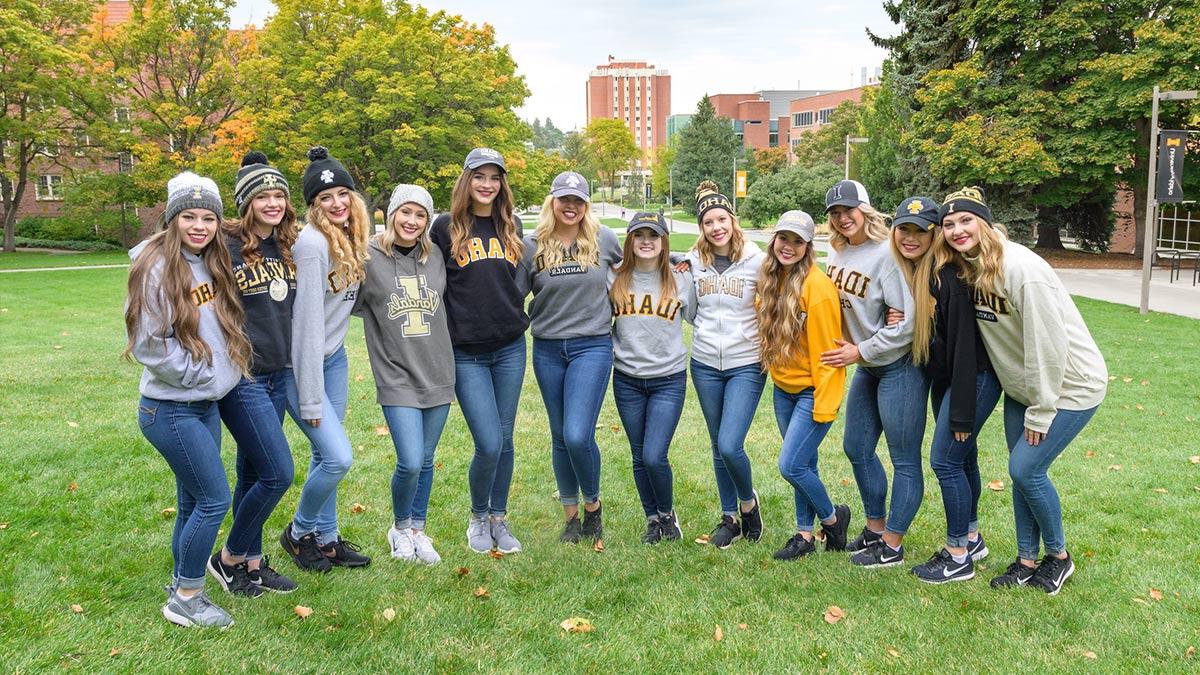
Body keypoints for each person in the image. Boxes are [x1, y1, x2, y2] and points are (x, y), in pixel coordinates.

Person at [937, 187, 1107, 595]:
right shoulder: (969, 267)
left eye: (966, 220)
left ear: (986, 223)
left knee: (1026, 469)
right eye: (949, 224)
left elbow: (1048, 346)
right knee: (1022, 475)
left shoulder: (1022, 269)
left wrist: (1042, 409)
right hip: (1023, 387)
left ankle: (1059, 558)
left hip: (1069, 386)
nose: (958, 230)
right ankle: (1027, 560)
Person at [125, 171, 251, 628]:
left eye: (208, 218)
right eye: (189, 217)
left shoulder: (209, 261)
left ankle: (181, 579)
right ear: (172, 219)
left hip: (204, 403)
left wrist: (222, 370)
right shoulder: (154, 267)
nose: (199, 225)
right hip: (171, 408)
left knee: (191, 501)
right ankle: (187, 598)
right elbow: (148, 344)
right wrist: (201, 373)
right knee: (215, 500)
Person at [886, 196, 999, 583]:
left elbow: (967, 348)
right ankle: (971, 537)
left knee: (945, 460)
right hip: (947, 379)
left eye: (922, 231)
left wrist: (963, 412)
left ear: (935, 235)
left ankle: (957, 555)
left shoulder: (947, 276)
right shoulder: (920, 273)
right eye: (905, 229)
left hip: (973, 379)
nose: (911, 237)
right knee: (964, 459)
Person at [819, 179, 928, 568]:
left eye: (849, 209)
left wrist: (861, 349)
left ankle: (893, 545)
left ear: (866, 209)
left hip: (898, 366)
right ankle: (875, 528)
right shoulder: (837, 254)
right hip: (866, 365)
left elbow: (908, 323)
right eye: (835, 212)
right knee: (857, 448)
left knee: (904, 458)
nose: (842, 218)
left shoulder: (887, 254)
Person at [207, 152, 299, 597]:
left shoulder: (286, 244)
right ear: (246, 202)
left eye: (279, 194)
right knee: (278, 473)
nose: (273, 202)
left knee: (252, 473)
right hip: (244, 377)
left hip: (280, 373)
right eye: (262, 195)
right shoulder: (222, 246)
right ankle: (227, 558)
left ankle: (254, 564)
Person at [279, 146, 372, 572]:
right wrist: (310, 397)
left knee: (323, 458)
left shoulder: (350, 237)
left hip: (334, 357)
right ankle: (299, 533)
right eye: (324, 199)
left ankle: (329, 538)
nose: (336, 203)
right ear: (313, 207)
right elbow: (308, 324)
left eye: (342, 195)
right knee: (337, 457)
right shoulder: (313, 244)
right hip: (305, 365)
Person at [430, 148, 527, 554]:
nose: (487, 184)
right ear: (466, 180)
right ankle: (477, 516)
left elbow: (519, 280)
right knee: (488, 441)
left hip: (509, 348)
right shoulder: (444, 227)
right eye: (479, 176)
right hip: (467, 352)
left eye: (494, 177)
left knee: (505, 440)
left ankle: (498, 519)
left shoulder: (513, 225)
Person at [518, 171, 622, 543]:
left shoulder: (603, 239)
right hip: (547, 348)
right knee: (560, 436)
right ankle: (571, 517)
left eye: (578, 200)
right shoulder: (532, 245)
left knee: (578, 434)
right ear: (552, 201)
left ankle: (592, 505)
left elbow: (639, 267)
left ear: (586, 205)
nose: (571, 207)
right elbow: (512, 294)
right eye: (564, 199)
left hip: (591, 345)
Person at [356, 184, 454, 565]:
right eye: (405, 212)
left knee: (427, 459)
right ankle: (399, 528)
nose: (411, 221)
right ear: (391, 213)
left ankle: (418, 529)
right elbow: (342, 303)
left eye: (420, 215)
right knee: (410, 460)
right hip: (395, 374)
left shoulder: (436, 258)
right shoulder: (367, 257)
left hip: (438, 370)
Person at [756, 211, 852, 560]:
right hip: (783, 388)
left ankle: (832, 520)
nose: (789, 247)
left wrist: (825, 405)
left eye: (798, 241)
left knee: (791, 465)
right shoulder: (770, 279)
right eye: (784, 238)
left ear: (808, 246)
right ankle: (804, 535)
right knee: (805, 465)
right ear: (775, 239)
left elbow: (829, 355)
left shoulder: (818, 288)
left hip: (813, 392)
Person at [686, 180, 767, 549]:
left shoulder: (757, 260)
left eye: (722, 219)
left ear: (733, 220)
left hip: (745, 363)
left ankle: (748, 503)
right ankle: (728, 517)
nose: (716, 227)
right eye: (708, 222)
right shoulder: (693, 261)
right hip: (704, 363)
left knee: (730, 443)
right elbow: (689, 309)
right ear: (701, 227)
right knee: (717, 444)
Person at [608, 211, 695, 544]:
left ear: (663, 241)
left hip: (668, 379)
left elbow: (700, 315)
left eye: (653, 236)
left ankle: (668, 513)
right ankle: (653, 519)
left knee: (654, 454)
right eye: (639, 235)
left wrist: (683, 260)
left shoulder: (680, 278)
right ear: (630, 240)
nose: (646, 242)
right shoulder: (613, 276)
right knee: (637, 453)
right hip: (627, 378)